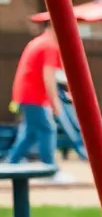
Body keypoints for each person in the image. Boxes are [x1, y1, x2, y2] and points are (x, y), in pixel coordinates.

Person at [5, 23, 63, 171]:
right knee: (47, 129)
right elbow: (48, 76)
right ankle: (49, 169)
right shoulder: (49, 45)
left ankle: (10, 163)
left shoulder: (38, 42)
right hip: (34, 96)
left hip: (24, 94)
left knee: (30, 132)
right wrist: (54, 101)